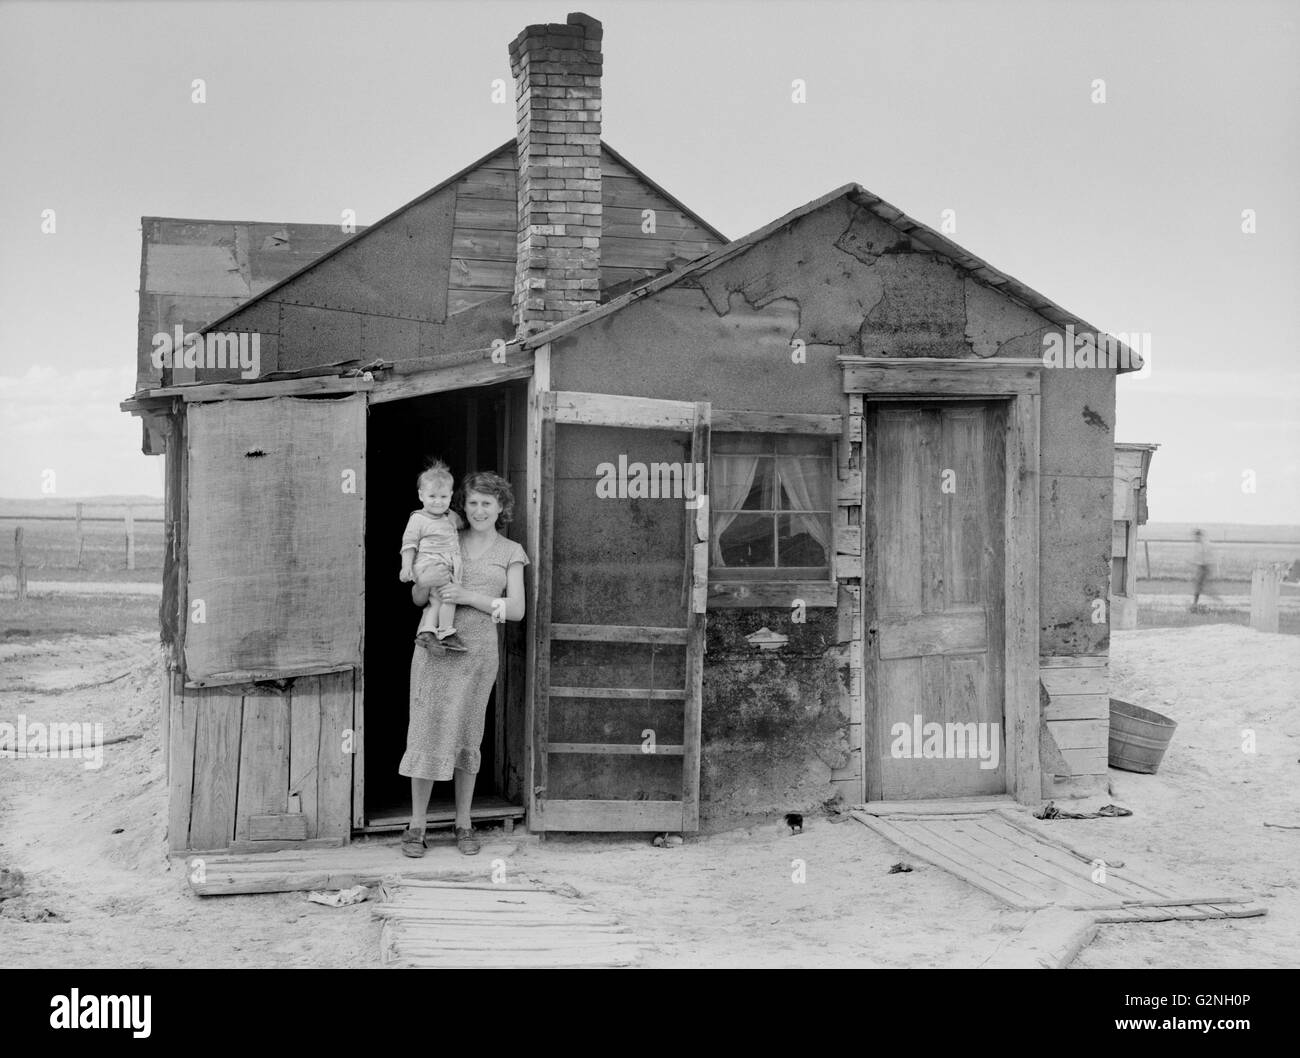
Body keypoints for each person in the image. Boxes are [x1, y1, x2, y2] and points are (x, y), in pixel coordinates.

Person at [399, 471, 528, 857]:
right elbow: (419, 600)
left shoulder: (512, 552)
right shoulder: (444, 534)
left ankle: (463, 822)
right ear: (463, 504)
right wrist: (424, 584)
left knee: (467, 734)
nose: (479, 510)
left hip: (477, 653)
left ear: (501, 507)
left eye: (487, 503)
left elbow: (517, 610)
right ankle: (417, 826)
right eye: (472, 502)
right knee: (425, 729)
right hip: (435, 650)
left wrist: (469, 595)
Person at [398, 460, 468, 653]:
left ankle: (428, 631)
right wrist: (406, 566)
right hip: (430, 564)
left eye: (443, 496)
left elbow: (462, 524)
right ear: (421, 495)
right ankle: (446, 632)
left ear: (451, 496)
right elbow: (409, 544)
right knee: (449, 596)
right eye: (432, 496)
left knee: (438, 601)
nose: (438, 501)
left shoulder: (448, 516)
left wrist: (452, 514)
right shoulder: (418, 518)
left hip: (446, 563)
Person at [1191, 528, 1214, 611]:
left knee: (1199, 587)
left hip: (1204, 567)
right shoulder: (1199, 545)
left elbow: (1206, 558)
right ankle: (1195, 603)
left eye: (1196, 536)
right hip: (1201, 567)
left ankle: (1195, 604)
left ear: (1199, 536)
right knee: (1199, 586)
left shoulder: (1204, 545)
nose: (1195, 538)